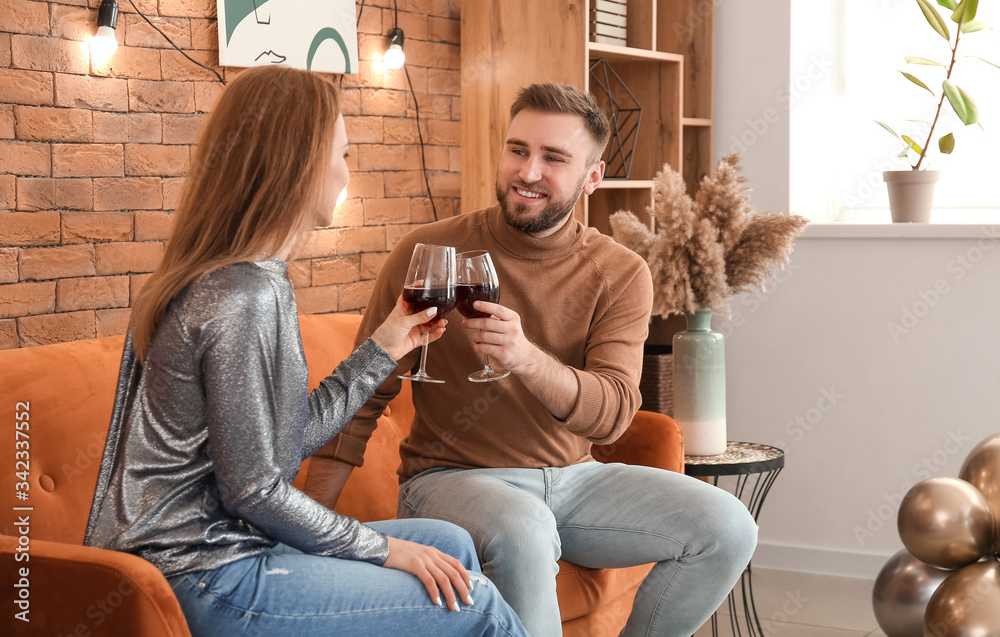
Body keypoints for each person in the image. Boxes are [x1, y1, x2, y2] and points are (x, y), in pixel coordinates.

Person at [83, 66, 528, 637]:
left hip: (227, 551)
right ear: (297, 165)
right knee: (481, 605)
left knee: (450, 546)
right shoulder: (240, 294)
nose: (347, 173)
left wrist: (386, 345)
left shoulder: (257, 277)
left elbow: (279, 442)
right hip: (202, 573)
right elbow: (254, 490)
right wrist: (379, 548)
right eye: (342, 154)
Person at [305, 82, 760, 636]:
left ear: (591, 177)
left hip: (577, 480)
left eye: (554, 158)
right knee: (523, 527)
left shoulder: (618, 273)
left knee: (728, 526)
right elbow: (361, 397)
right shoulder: (429, 252)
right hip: (448, 480)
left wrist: (524, 357)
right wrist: (309, 531)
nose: (528, 172)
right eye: (518, 150)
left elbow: (613, 413)